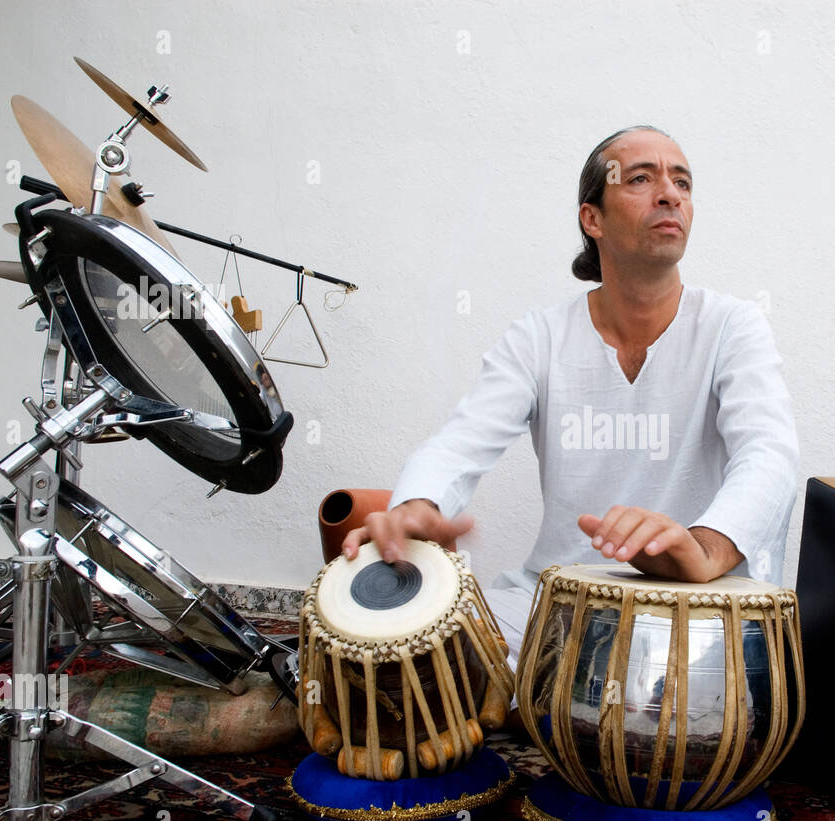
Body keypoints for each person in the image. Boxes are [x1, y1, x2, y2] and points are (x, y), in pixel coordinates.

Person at [342, 125, 799, 670]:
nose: (670, 194)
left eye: (682, 182)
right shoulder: (541, 336)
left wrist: (704, 548)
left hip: (696, 604)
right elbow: (460, 443)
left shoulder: (732, 326)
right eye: (640, 178)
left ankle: (527, 699)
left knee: (698, 682)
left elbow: (770, 457)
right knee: (412, 641)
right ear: (593, 218)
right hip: (555, 601)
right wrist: (418, 507)